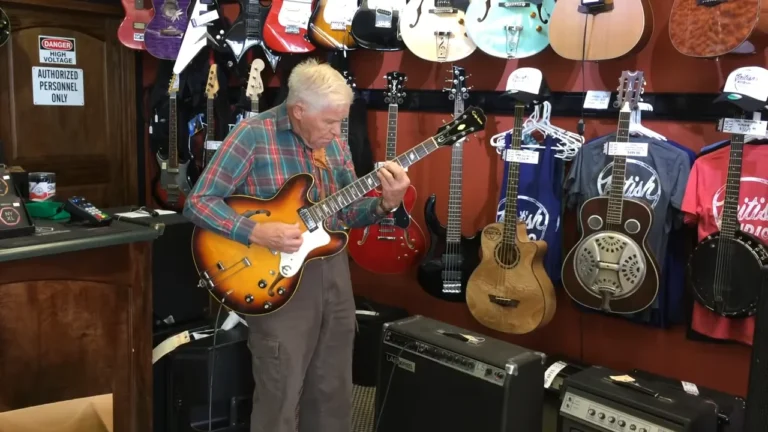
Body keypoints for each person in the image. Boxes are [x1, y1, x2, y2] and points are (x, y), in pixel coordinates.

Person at [183, 58, 411, 432]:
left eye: (342, 121)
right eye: (331, 122)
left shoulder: (333, 142)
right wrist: (255, 232)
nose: (339, 132)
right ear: (299, 110)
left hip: (331, 270)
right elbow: (199, 201)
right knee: (281, 389)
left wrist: (386, 203)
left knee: (333, 384)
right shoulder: (253, 135)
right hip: (273, 274)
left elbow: (345, 212)